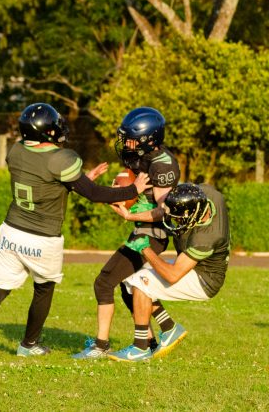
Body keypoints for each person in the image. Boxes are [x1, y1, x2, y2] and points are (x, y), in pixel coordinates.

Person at [0, 102, 151, 360]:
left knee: (0, 285)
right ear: (47, 132)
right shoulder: (63, 158)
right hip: (43, 236)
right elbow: (94, 195)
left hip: (11, 230)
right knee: (43, 288)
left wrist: (82, 179)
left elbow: (48, 181)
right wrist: (133, 190)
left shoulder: (16, 151)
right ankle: (28, 344)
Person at [72, 107, 180, 359]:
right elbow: (136, 191)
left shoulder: (163, 165)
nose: (125, 144)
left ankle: (101, 345)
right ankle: (162, 332)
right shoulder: (144, 157)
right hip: (144, 230)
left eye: (129, 139)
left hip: (152, 234)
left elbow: (165, 211)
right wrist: (124, 193)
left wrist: (130, 212)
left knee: (104, 282)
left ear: (148, 139)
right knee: (127, 286)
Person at [108, 182, 230, 362]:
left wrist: (145, 249)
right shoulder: (207, 195)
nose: (174, 220)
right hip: (194, 265)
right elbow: (172, 203)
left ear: (194, 215)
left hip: (204, 279)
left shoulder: (206, 237)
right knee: (129, 276)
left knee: (141, 282)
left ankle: (140, 347)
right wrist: (130, 214)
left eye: (178, 218)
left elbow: (172, 275)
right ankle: (169, 328)